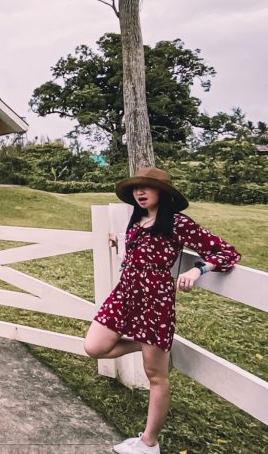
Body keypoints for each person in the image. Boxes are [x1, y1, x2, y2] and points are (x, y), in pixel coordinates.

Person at [83, 167, 241, 454]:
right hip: (125, 293)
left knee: (156, 375)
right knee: (94, 346)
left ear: (163, 193)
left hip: (155, 299)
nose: (139, 193)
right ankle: (147, 345)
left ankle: (149, 443)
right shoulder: (137, 220)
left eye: (147, 187)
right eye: (136, 188)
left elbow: (226, 252)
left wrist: (198, 270)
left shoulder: (178, 223)